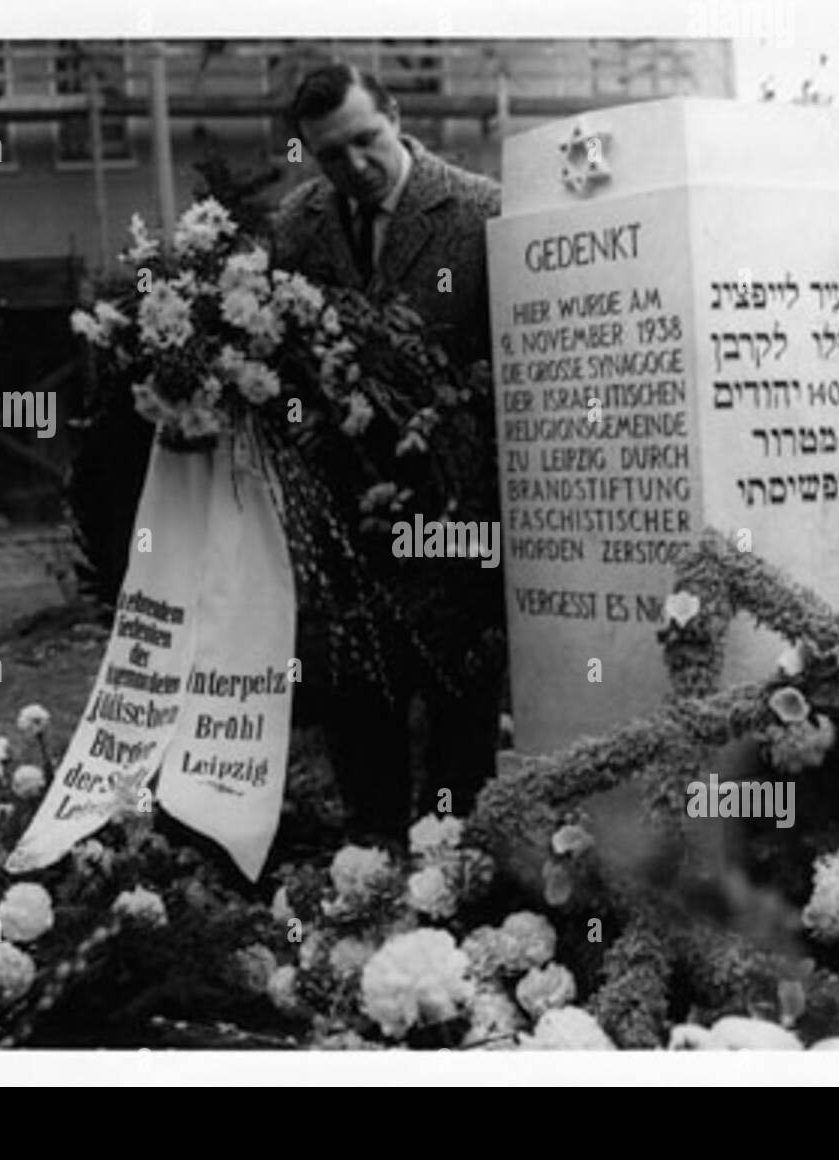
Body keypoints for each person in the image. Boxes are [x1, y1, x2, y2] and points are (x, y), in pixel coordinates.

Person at [270, 61, 505, 840]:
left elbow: (512, 375)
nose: (354, 166)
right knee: (356, 715)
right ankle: (365, 878)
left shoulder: (481, 215)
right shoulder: (298, 226)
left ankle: (457, 893)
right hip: (346, 533)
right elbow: (285, 368)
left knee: (458, 731)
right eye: (330, 154)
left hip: (456, 526)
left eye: (366, 141)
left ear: (397, 115)